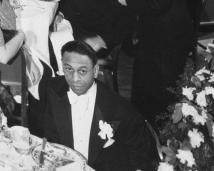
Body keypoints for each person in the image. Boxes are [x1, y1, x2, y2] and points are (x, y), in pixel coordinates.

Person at [42, 41, 158, 171]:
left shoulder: (122, 111)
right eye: (69, 69)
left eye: (82, 71)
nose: (74, 79)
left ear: (96, 70)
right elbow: (51, 138)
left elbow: (144, 160)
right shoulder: (54, 89)